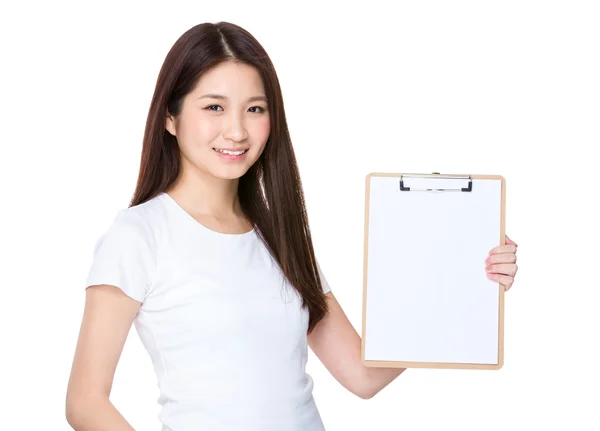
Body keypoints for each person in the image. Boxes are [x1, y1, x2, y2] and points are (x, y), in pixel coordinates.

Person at [65, 21, 519, 431]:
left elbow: (362, 376)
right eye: (214, 107)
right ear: (170, 116)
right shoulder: (140, 234)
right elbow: (85, 403)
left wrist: (461, 281)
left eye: (255, 109)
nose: (238, 131)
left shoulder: (278, 236)